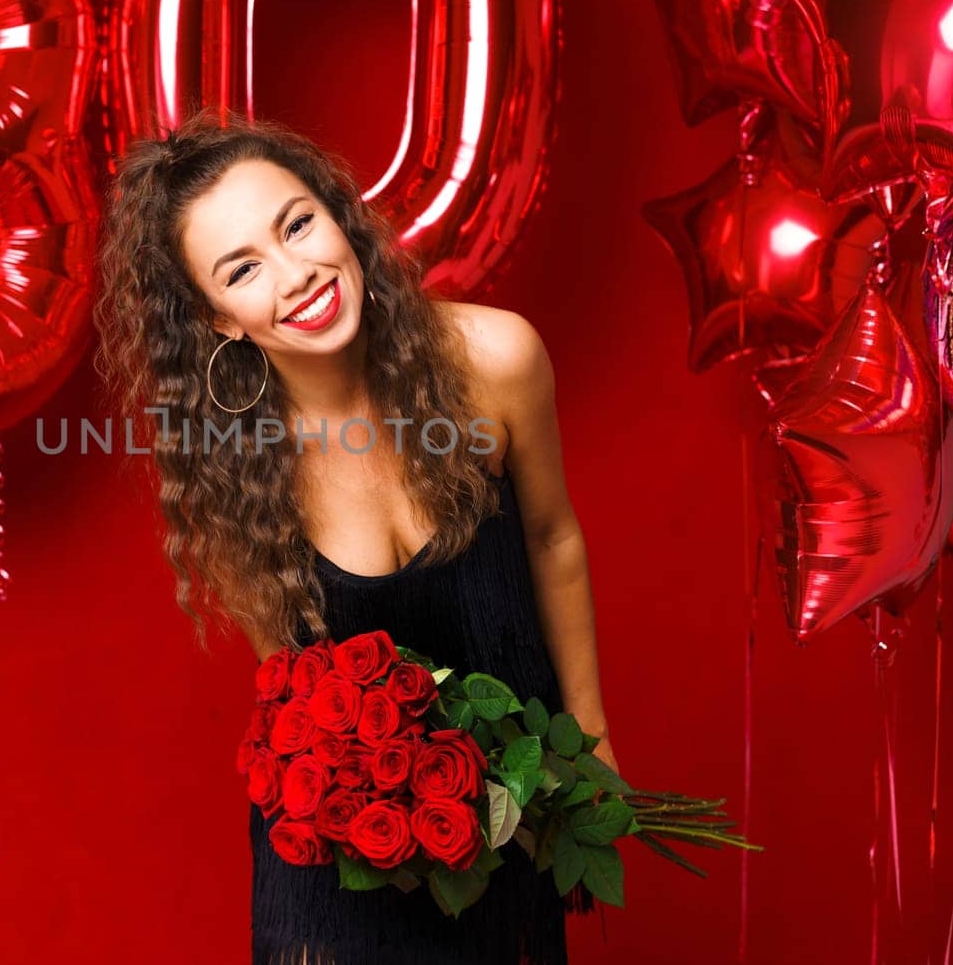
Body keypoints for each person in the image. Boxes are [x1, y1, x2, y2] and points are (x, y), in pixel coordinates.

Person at [92, 109, 614, 965]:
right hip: (349, 871)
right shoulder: (236, 469)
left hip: (518, 818)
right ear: (218, 320)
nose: (296, 273)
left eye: (298, 223)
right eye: (244, 268)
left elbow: (554, 537)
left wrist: (591, 740)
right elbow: (294, 690)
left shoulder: (498, 359)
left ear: (340, 213)